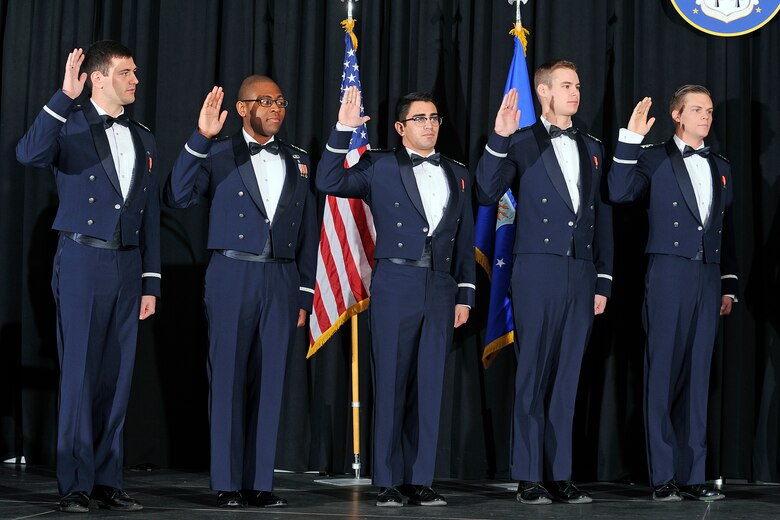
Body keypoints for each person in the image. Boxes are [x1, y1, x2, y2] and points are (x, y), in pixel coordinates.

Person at [16, 41, 160, 513]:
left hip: (127, 265)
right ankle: (74, 483)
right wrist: (62, 97)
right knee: (78, 374)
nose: (135, 80)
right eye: (126, 73)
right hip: (81, 260)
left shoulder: (143, 135)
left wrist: (150, 281)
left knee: (116, 378)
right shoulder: (70, 124)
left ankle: (105, 479)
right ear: (98, 78)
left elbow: (149, 215)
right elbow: (29, 153)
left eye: (135, 72)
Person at [316, 87, 475, 507]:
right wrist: (342, 129)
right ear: (401, 127)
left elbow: (463, 240)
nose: (430, 124)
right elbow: (327, 179)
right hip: (396, 281)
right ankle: (386, 480)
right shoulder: (380, 165)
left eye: (435, 117)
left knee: (429, 386)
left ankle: (420, 479)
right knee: (389, 382)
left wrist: (465, 293)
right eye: (420, 118)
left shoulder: (458, 172)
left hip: (440, 286)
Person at [164, 76, 317, 509]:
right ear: (243, 106)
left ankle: (260, 483)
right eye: (265, 101)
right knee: (228, 377)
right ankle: (227, 483)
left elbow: (310, 230)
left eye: (280, 101)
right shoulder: (216, 153)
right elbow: (176, 195)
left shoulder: (299, 160)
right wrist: (200, 137)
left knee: (271, 382)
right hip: (232, 272)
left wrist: (304, 294)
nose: (275, 109)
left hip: (283, 280)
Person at [475, 60, 613, 505]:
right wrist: (498, 139)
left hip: (580, 272)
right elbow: (485, 191)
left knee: (569, 377)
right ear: (544, 92)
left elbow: (602, 215)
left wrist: (603, 280)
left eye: (578, 84)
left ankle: (561, 475)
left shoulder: (592, 146)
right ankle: (529, 475)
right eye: (567, 85)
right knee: (533, 374)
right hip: (536, 269)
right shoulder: (520, 142)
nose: (576, 92)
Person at [609, 86, 737, 502]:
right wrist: (629, 139)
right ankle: (663, 475)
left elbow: (724, 227)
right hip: (666, 271)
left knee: (698, 377)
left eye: (710, 110)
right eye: (697, 110)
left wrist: (727, 284)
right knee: (662, 373)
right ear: (678, 115)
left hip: (707, 276)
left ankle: (693, 474)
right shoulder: (653, 156)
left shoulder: (721, 165)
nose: (706, 116)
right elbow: (618, 190)